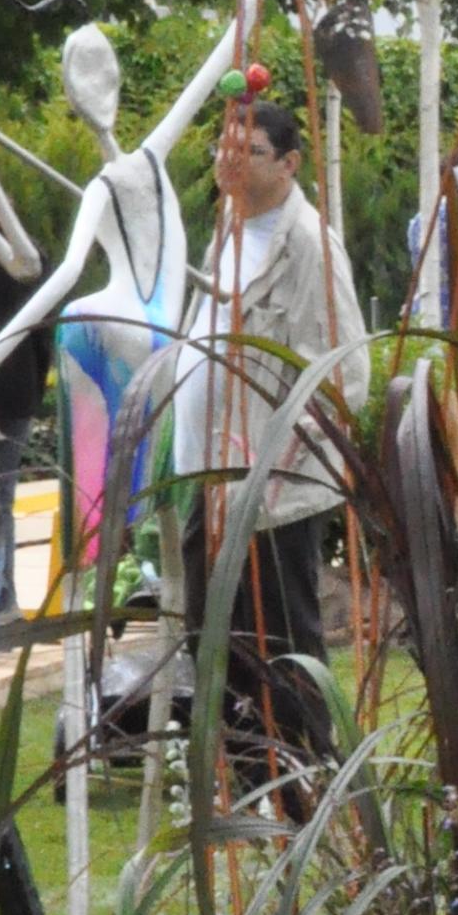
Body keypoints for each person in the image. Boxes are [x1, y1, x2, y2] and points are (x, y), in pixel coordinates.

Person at [175, 94, 369, 805]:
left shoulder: (308, 244)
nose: (229, 159)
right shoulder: (228, 227)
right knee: (212, 639)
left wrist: (276, 463)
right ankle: (246, 791)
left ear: (288, 165)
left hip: (270, 489)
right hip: (209, 478)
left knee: (282, 646)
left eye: (249, 150)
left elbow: (344, 373)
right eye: (224, 145)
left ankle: (302, 791)